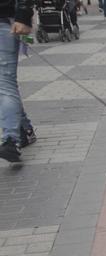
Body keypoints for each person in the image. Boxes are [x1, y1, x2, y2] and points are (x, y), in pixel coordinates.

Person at [0, 0, 37, 164]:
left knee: (5, 85)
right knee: (6, 84)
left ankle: (12, 138)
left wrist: (23, 14)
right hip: (7, 19)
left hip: (5, 21)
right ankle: (22, 130)